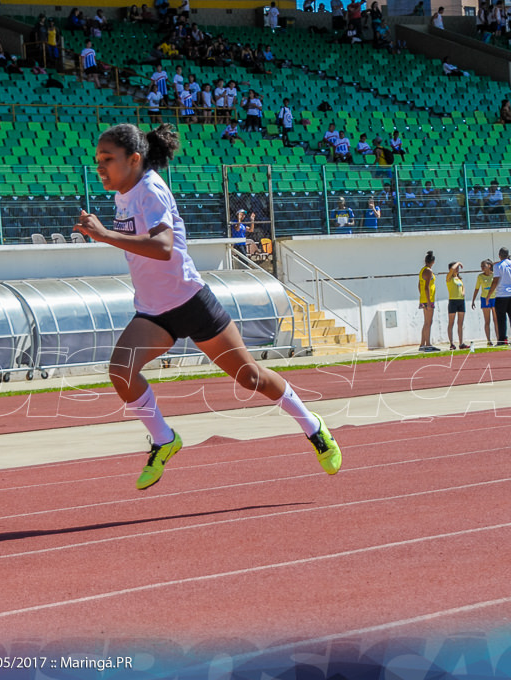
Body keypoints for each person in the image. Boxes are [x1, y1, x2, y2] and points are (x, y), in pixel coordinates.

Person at [72, 123, 342, 490]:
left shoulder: (150, 190)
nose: (99, 167)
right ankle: (164, 439)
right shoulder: (125, 193)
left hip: (190, 303)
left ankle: (313, 427)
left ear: (134, 160)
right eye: (97, 159)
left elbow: (164, 247)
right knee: (121, 370)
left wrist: (104, 235)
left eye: (107, 159)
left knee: (250, 378)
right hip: (153, 311)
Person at [490, 247, 511, 346]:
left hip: (501, 294)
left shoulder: (497, 266)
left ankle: (503, 339)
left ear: (499, 255)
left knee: (501, 318)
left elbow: (495, 281)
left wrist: (489, 294)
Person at [471, 258, 499, 346]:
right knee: (487, 321)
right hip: (484, 299)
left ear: (489, 266)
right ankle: (489, 340)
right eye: (481, 266)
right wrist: (473, 300)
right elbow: (476, 289)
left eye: (484, 266)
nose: (482, 267)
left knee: (496, 320)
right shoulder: (480, 276)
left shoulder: (494, 275)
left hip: (494, 298)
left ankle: (499, 339)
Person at [446, 261, 469, 350]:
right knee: (451, 323)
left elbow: (463, 287)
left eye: (458, 268)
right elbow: (452, 269)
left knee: (460, 323)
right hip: (453, 301)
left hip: (460, 301)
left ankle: (461, 343)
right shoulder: (449, 278)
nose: (457, 269)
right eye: (456, 268)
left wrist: (463, 292)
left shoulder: (459, 279)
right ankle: (451, 343)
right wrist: (458, 263)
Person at [418, 250, 438, 352]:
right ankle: (427, 344)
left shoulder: (422, 270)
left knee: (426, 322)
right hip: (428, 299)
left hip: (424, 298)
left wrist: (422, 296)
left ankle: (422, 344)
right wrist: (429, 301)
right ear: (433, 261)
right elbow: (426, 287)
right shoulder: (429, 271)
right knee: (428, 322)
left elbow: (419, 286)